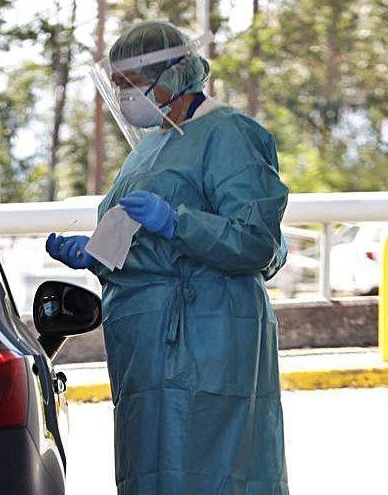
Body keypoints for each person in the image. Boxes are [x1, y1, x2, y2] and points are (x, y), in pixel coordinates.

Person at [46, 21, 289, 495]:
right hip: (144, 346)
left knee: (214, 471)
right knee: (152, 472)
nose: (126, 99)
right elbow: (140, 244)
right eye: (118, 88)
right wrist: (96, 255)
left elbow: (256, 241)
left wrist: (180, 223)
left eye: (131, 85)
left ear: (172, 76)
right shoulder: (149, 148)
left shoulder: (230, 135)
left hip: (208, 338)